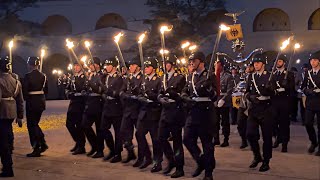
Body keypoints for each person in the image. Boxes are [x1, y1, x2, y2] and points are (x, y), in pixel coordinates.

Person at [181, 52, 217, 180]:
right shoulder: (191, 76)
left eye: (194, 60)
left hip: (205, 113)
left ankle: (208, 173)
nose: (191, 63)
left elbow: (214, 96)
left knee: (207, 144)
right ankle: (200, 161)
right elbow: (185, 90)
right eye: (190, 61)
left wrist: (209, 90)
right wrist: (184, 96)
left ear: (201, 61)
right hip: (193, 112)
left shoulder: (210, 75)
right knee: (186, 139)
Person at [245, 53, 275, 172]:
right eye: (254, 63)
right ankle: (257, 156)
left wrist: (270, 89)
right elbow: (246, 92)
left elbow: (275, 95)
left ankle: (266, 161)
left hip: (266, 109)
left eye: (258, 63)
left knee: (267, 137)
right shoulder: (251, 77)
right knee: (250, 134)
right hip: (254, 109)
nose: (256, 65)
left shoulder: (270, 76)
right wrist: (250, 97)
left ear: (263, 64)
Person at [157, 56, 186, 178]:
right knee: (161, 138)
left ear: (172, 65)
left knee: (177, 141)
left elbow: (181, 95)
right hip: (164, 111)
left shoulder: (179, 78)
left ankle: (179, 168)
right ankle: (171, 160)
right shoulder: (162, 78)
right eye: (163, 64)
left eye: (167, 64)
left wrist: (173, 95)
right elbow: (159, 92)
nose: (165, 66)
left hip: (175, 111)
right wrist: (160, 98)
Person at [133, 57, 162, 171]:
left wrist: (151, 96)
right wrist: (141, 97)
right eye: (145, 67)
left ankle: (157, 162)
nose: (146, 69)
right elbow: (140, 94)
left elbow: (159, 95)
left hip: (154, 112)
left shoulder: (158, 80)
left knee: (155, 139)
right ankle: (147, 156)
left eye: (148, 67)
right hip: (144, 112)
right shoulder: (143, 80)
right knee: (139, 134)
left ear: (154, 69)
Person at [0, 56, 24, 177]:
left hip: (2, 111)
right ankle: (10, 148)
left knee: (2, 141)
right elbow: (20, 100)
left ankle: (7, 167)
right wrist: (20, 116)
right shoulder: (15, 80)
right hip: (12, 111)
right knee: (8, 133)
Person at [23, 56, 48, 157]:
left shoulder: (27, 76)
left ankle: (37, 146)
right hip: (41, 102)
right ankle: (42, 143)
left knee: (31, 125)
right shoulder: (44, 76)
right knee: (35, 124)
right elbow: (46, 91)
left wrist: (26, 99)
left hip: (32, 102)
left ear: (30, 64)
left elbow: (25, 91)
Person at [100, 57, 124, 163]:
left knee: (118, 131)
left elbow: (119, 93)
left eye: (108, 65)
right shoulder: (105, 77)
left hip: (116, 107)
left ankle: (118, 153)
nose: (106, 67)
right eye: (106, 65)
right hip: (107, 106)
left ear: (114, 66)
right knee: (103, 129)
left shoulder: (119, 78)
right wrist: (104, 94)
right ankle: (112, 149)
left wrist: (112, 93)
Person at [119, 57, 142, 163]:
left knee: (140, 135)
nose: (130, 67)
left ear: (138, 67)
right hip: (128, 110)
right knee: (123, 132)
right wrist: (126, 95)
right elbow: (122, 91)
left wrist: (134, 96)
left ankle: (142, 157)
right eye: (130, 65)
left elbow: (141, 93)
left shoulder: (142, 78)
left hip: (137, 110)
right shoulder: (128, 79)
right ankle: (131, 152)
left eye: (132, 65)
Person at [270, 54, 295, 152]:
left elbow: (292, 88)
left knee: (284, 124)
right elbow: (271, 86)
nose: (277, 63)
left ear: (284, 63)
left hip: (285, 101)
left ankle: (284, 143)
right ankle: (277, 137)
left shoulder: (289, 74)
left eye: (279, 61)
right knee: (273, 122)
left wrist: (286, 87)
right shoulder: (273, 73)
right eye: (276, 61)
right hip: (275, 101)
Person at [82, 57, 104, 158]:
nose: (90, 66)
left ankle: (100, 149)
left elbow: (99, 90)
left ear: (97, 65)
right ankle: (94, 145)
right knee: (85, 125)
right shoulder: (90, 75)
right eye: (89, 64)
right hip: (90, 103)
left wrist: (91, 84)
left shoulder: (102, 75)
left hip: (98, 104)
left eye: (92, 64)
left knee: (99, 129)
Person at [65, 62, 87, 155]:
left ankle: (81, 145)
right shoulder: (73, 77)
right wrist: (68, 93)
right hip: (73, 103)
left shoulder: (84, 77)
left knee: (79, 125)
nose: (75, 67)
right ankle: (78, 142)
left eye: (78, 65)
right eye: (75, 66)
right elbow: (67, 88)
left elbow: (83, 89)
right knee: (69, 124)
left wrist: (76, 93)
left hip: (80, 104)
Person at [301, 51, 320, 156]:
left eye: (315, 60)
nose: (313, 62)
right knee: (308, 123)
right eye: (311, 60)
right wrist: (306, 91)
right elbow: (302, 87)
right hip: (310, 102)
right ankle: (313, 141)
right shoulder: (308, 73)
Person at [214, 60, 234, 147]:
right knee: (215, 121)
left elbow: (230, 90)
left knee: (225, 122)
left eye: (218, 65)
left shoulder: (228, 76)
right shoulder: (213, 76)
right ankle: (216, 139)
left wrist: (223, 99)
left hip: (224, 102)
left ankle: (226, 139)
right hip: (215, 101)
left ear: (222, 66)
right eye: (215, 65)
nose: (216, 67)